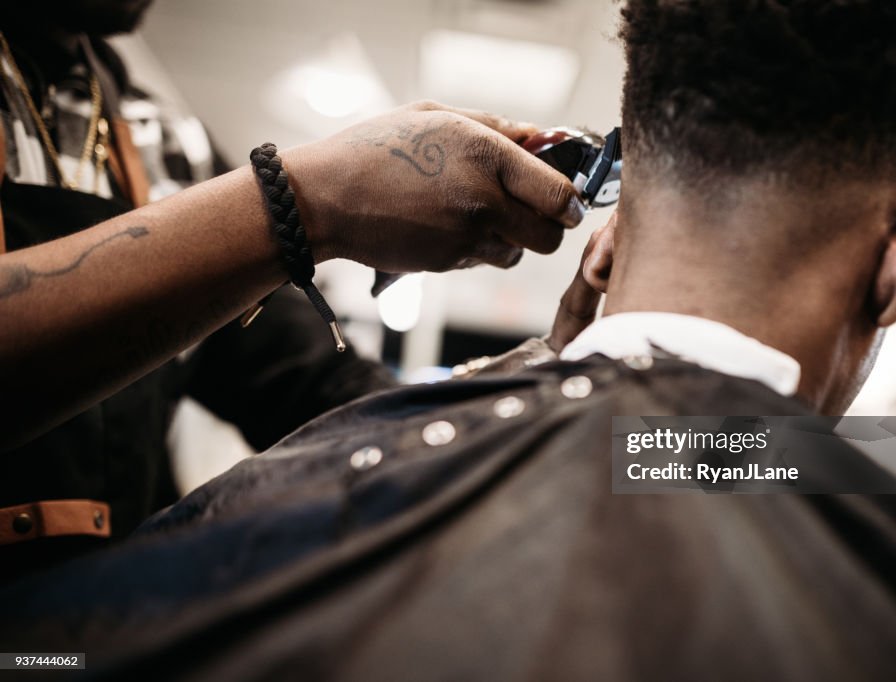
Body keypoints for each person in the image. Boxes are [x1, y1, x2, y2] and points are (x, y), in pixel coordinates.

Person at [4, 0, 896, 679]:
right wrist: (301, 202)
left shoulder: (149, 127)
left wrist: (562, 370)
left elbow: (648, 442)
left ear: (607, 235)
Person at [0, 2, 585, 578]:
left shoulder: (164, 140)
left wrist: (531, 387)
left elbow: (314, 384)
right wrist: (312, 200)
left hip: (92, 621)